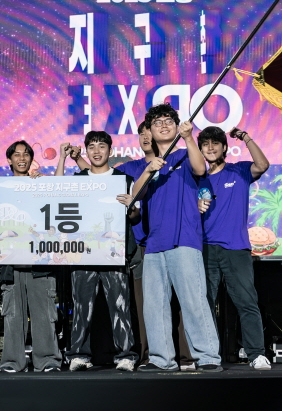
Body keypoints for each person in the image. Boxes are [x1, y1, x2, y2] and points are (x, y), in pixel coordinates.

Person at [129, 103, 221, 372]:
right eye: (157, 122)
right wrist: (149, 170)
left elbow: (200, 169)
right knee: (154, 306)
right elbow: (135, 196)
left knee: (193, 301)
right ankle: (161, 359)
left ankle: (208, 357)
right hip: (154, 243)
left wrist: (189, 137)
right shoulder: (148, 165)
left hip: (184, 240)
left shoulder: (183, 154)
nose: (164, 125)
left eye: (169, 121)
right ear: (149, 131)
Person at [115, 121, 197, 369]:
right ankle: (154, 357)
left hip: (179, 241)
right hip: (146, 246)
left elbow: (200, 172)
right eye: (141, 134)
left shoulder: (180, 158)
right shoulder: (134, 167)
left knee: (185, 301)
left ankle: (188, 357)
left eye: (147, 133)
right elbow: (101, 174)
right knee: (150, 305)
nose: (145, 137)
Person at [56, 130, 138, 372]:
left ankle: (126, 355)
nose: (97, 151)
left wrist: (132, 207)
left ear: (110, 151)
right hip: (82, 253)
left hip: (114, 253)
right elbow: (56, 191)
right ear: (86, 151)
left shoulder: (124, 179)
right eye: (91, 146)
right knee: (81, 307)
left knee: (120, 306)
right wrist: (62, 157)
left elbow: (135, 216)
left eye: (102, 146)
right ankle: (79, 354)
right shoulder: (78, 178)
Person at [197, 126, 272, 370]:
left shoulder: (239, 171)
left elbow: (262, 165)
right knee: (205, 304)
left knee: (247, 302)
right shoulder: (197, 178)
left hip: (236, 248)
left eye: (215, 143)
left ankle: (256, 354)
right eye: (205, 144)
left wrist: (246, 137)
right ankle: (208, 355)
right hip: (205, 249)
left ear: (224, 147)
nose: (210, 147)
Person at [0, 140, 61, 373]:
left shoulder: (41, 185)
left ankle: (47, 361)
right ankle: (12, 362)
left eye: (26, 154)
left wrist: (45, 186)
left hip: (40, 264)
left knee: (44, 315)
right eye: (16, 154)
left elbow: (55, 217)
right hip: (11, 266)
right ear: (9, 160)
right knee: (13, 316)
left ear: (31, 159)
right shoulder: (2, 191)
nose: (22, 158)